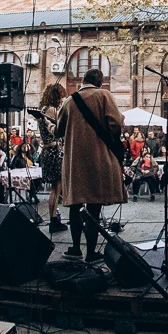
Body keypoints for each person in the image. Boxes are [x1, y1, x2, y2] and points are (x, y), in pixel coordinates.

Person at [56, 68, 126, 262]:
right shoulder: (104, 95)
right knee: (94, 208)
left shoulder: (68, 101)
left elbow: (58, 131)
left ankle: (75, 249)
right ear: (100, 82)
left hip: (74, 163)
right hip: (98, 160)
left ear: (83, 81)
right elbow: (116, 123)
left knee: (75, 206)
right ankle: (91, 253)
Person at [34, 83, 67, 233]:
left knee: (55, 188)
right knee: (56, 188)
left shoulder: (42, 109)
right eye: (61, 96)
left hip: (47, 151)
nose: (62, 99)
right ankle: (53, 220)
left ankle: (54, 219)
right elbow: (59, 129)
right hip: (55, 151)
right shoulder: (52, 110)